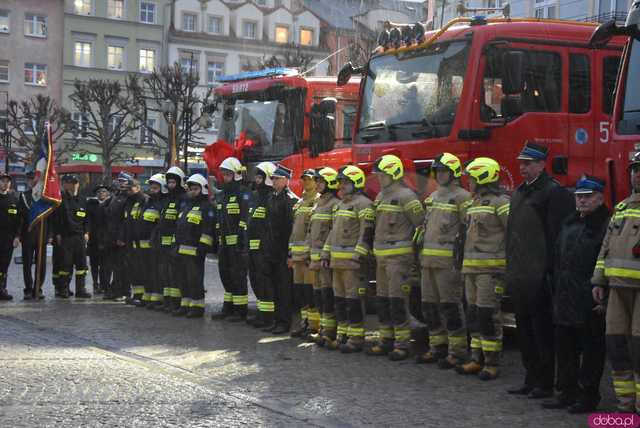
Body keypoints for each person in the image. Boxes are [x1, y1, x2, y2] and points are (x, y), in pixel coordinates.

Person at [506, 142, 574, 397]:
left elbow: (558, 237)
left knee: (542, 331)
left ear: (542, 164)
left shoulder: (553, 192)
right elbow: (513, 234)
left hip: (540, 276)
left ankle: (545, 382)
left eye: (528, 163)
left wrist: (551, 273)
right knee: (524, 330)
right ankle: (530, 377)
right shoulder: (520, 191)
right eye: (521, 163)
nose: (522, 167)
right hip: (520, 274)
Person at [541, 176, 609, 413]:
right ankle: (566, 393)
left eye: (587, 196)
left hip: (589, 298)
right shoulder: (569, 223)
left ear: (600, 198)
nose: (581, 200)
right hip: (564, 295)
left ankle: (588, 396)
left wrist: (602, 295)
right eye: (579, 196)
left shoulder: (604, 224)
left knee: (591, 351)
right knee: (565, 350)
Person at [592, 153, 640, 412]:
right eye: (634, 169)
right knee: (616, 344)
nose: (637, 175)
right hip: (617, 288)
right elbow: (606, 248)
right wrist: (598, 280)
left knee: (639, 348)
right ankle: (625, 403)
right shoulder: (622, 207)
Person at [456, 157, 509, 381]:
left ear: (483, 178)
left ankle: (492, 362)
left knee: (489, 315)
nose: (468, 182)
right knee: (474, 315)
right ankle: (476, 358)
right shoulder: (472, 203)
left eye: (472, 178)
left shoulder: (502, 203)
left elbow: (513, 234)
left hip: (491, 270)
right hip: (471, 269)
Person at [417, 153, 471, 368]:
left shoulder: (463, 197)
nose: (440, 175)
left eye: (444, 171)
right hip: (428, 262)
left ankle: (457, 352)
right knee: (429, 306)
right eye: (437, 171)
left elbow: (468, 230)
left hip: (448, 264)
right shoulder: (433, 196)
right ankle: (437, 347)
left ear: (454, 173)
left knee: (450, 307)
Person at [367, 155, 424, 360]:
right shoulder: (380, 197)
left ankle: (402, 344)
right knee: (383, 301)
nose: (379, 179)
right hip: (381, 257)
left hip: (399, 259)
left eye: (382, 175)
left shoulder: (407, 197)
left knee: (398, 301)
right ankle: (386, 340)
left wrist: (415, 256)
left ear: (394, 174)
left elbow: (420, 226)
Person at [321, 165, 373, 352]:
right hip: (337, 262)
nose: (341, 186)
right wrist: (325, 254)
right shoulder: (340, 205)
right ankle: (342, 336)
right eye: (340, 182)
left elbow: (366, 233)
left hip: (352, 263)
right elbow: (333, 233)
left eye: (345, 182)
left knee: (353, 301)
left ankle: (356, 338)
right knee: (340, 300)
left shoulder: (364, 204)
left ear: (356, 183)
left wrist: (358, 256)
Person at [211, 157, 250, 321]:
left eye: (228, 175)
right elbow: (219, 220)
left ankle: (240, 312)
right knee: (225, 275)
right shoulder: (223, 195)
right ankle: (228, 308)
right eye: (224, 175)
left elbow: (245, 218)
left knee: (238, 277)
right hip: (224, 244)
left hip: (238, 246)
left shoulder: (244, 193)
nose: (225, 178)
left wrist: (242, 241)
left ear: (236, 175)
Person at [307, 167, 341, 345]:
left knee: (328, 294)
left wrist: (325, 255)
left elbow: (333, 232)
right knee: (319, 295)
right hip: (314, 258)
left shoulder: (335, 204)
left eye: (321, 181)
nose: (317, 184)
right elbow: (311, 230)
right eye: (317, 181)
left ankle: (330, 331)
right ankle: (323, 329)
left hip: (325, 259)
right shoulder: (318, 203)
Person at [173, 174, 215, 318]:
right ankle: (186, 304)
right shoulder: (186, 206)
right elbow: (179, 227)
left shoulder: (206, 207)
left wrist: (202, 248)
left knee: (194, 280)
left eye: (196, 189)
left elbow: (208, 230)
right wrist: (176, 246)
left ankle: (197, 307)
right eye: (191, 189)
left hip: (195, 251)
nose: (192, 192)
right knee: (183, 279)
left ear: (202, 189)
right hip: (182, 250)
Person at [263, 165, 298, 334]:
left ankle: (284, 322)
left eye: (277, 178)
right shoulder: (272, 197)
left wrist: (290, 253)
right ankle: (277, 320)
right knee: (275, 288)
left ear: (286, 180)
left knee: (284, 289)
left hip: (283, 251)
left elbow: (291, 229)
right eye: (273, 178)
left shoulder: (290, 199)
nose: (274, 181)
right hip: (272, 250)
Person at [289, 169, 320, 338]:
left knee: (310, 291)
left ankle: (314, 326)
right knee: (300, 291)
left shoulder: (318, 201)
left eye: (309, 179)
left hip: (308, 256)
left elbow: (313, 231)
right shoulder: (300, 202)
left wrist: (310, 252)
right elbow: (294, 230)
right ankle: (304, 323)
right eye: (304, 179)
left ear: (316, 181)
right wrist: (290, 252)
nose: (306, 182)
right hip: (297, 256)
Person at [246, 161, 277, 328]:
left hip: (264, 249)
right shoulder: (255, 197)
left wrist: (266, 248)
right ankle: (261, 313)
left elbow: (270, 227)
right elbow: (249, 223)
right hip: (252, 248)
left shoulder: (271, 198)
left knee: (266, 282)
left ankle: (268, 316)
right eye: (256, 177)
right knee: (256, 281)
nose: (257, 180)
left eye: (260, 177)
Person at [54, 174, 91, 299]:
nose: (73, 185)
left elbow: (87, 219)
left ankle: (80, 289)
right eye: (70, 183)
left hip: (80, 237)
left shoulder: (82, 200)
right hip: (66, 236)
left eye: (75, 183)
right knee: (65, 264)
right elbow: (56, 219)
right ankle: (63, 289)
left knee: (81, 265)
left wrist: (86, 232)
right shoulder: (60, 199)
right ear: (65, 185)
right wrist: (57, 233)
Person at [158, 167, 186, 313]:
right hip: (165, 242)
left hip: (176, 243)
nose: (170, 185)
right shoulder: (168, 199)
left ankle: (176, 302)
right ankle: (168, 300)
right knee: (166, 273)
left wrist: (177, 242)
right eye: (168, 182)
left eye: (173, 182)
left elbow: (180, 223)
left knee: (176, 274)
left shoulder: (183, 199)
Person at [136, 174, 166, 309]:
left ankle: (157, 297)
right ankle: (148, 295)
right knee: (146, 271)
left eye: (155, 188)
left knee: (156, 272)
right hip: (144, 243)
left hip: (155, 243)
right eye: (151, 187)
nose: (152, 190)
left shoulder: (162, 203)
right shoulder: (148, 202)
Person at [118, 175, 147, 304]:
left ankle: (143, 296)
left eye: (131, 189)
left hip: (142, 242)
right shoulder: (128, 202)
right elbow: (125, 222)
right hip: (130, 241)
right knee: (133, 269)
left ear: (138, 187)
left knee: (142, 269)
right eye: (127, 190)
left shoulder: (145, 200)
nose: (129, 192)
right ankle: (137, 295)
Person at [18, 169, 47, 300]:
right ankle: (28, 289)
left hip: (42, 234)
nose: (32, 182)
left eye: (34, 179)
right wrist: (18, 235)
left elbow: (50, 218)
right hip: (28, 234)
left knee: (41, 264)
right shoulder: (24, 196)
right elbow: (20, 218)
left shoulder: (45, 197)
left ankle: (38, 288)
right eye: (30, 180)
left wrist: (50, 234)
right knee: (27, 263)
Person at [86, 184, 111, 295]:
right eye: (99, 191)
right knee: (94, 263)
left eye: (104, 191)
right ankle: (95, 284)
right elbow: (88, 221)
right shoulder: (91, 205)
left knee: (105, 264)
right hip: (94, 238)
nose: (102, 193)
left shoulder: (111, 204)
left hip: (106, 238)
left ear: (108, 193)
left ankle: (104, 284)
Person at [0, 172, 20, 301]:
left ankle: (2, 289)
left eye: (7, 181)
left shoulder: (14, 199)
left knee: (4, 265)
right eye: (2, 181)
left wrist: (17, 236)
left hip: (8, 238)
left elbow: (19, 220)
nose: (5, 183)